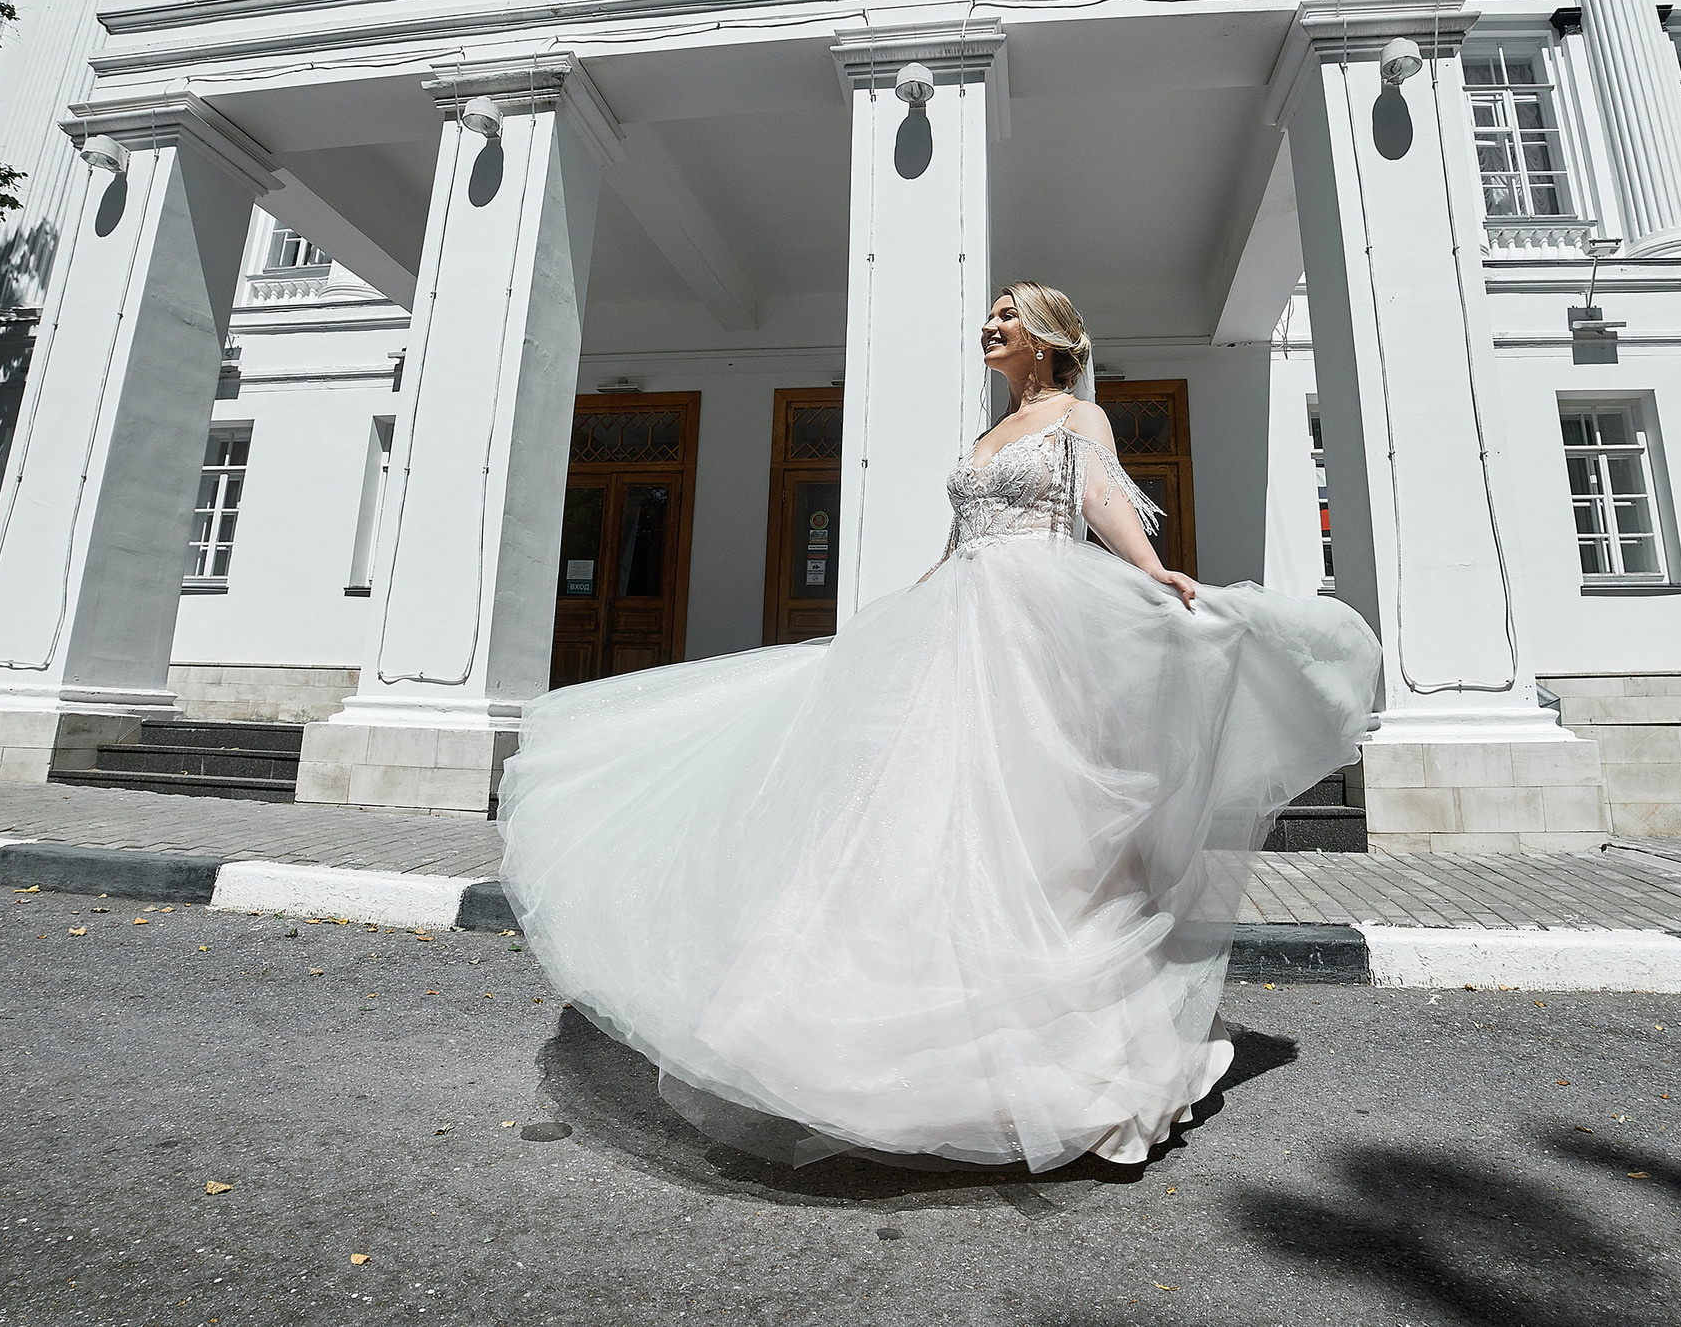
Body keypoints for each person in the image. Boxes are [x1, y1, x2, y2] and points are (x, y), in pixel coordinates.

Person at [499, 281, 1381, 1172]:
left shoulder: (1079, 417)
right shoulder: (985, 434)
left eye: (1008, 314)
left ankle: (1075, 1063)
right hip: (963, 623)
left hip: (1036, 630)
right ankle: (868, 1047)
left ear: (1046, 338)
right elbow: (960, 541)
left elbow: (1104, 507)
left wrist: (1156, 573)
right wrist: (887, 625)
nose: (990, 324)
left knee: (1035, 834)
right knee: (919, 823)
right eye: (990, 314)